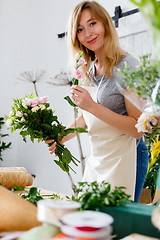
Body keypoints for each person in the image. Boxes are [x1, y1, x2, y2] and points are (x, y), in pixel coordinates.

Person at [46, 1, 145, 200]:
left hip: (127, 159)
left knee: (115, 226)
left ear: (105, 24)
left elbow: (137, 128)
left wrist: (91, 105)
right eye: (80, 29)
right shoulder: (90, 68)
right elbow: (87, 118)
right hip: (100, 159)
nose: (88, 34)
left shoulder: (128, 67)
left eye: (92, 24)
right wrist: (62, 136)